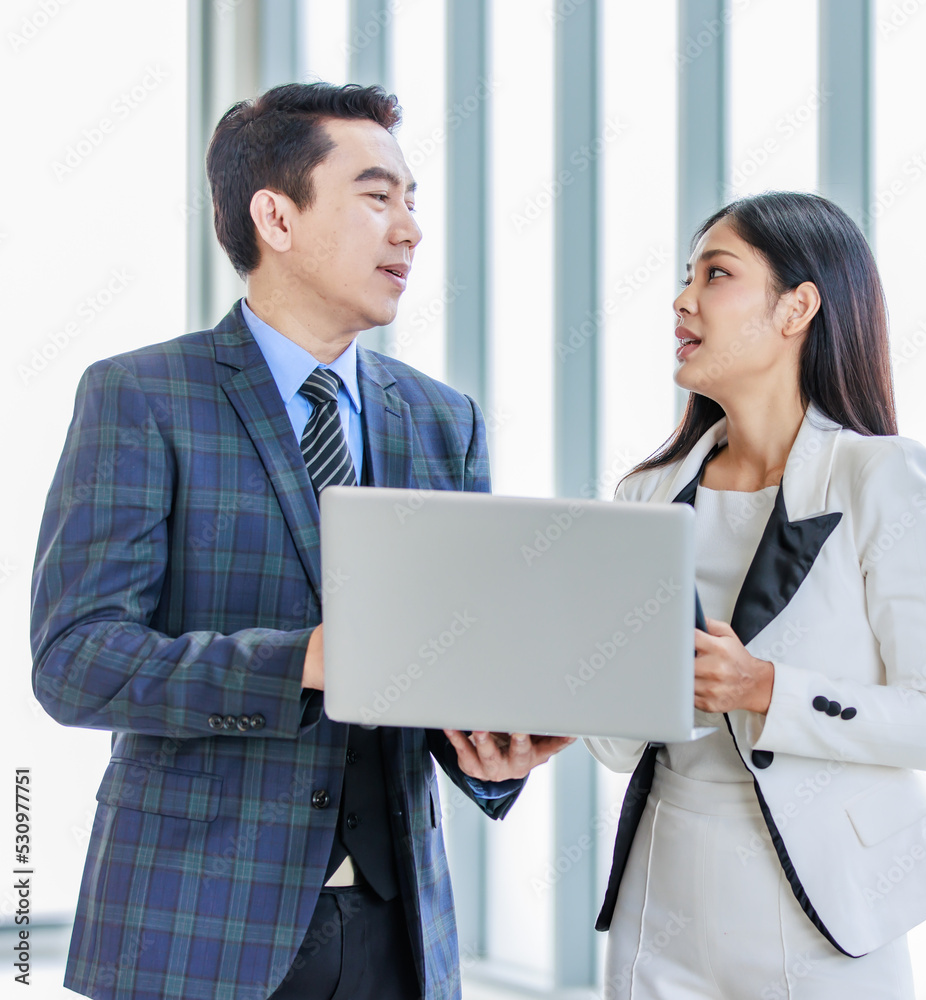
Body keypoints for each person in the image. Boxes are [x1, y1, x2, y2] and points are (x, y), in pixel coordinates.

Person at [30, 82, 571, 1000]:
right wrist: (305, 662)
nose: (409, 229)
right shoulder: (142, 398)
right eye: (376, 195)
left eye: (412, 200)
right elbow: (77, 662)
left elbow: (443, 663)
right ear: (275, 216)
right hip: (195, 930)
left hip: (399, 938)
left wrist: (492, 750)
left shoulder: (444, 422)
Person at [587, 191, 926, 999]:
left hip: (827, 909)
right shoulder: (648, 495)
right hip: (664, 897)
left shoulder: (881, 479)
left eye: (715, 275)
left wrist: (766, 689)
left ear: (799, 306)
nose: (681, 301)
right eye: (686, 278)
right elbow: (617, 740)